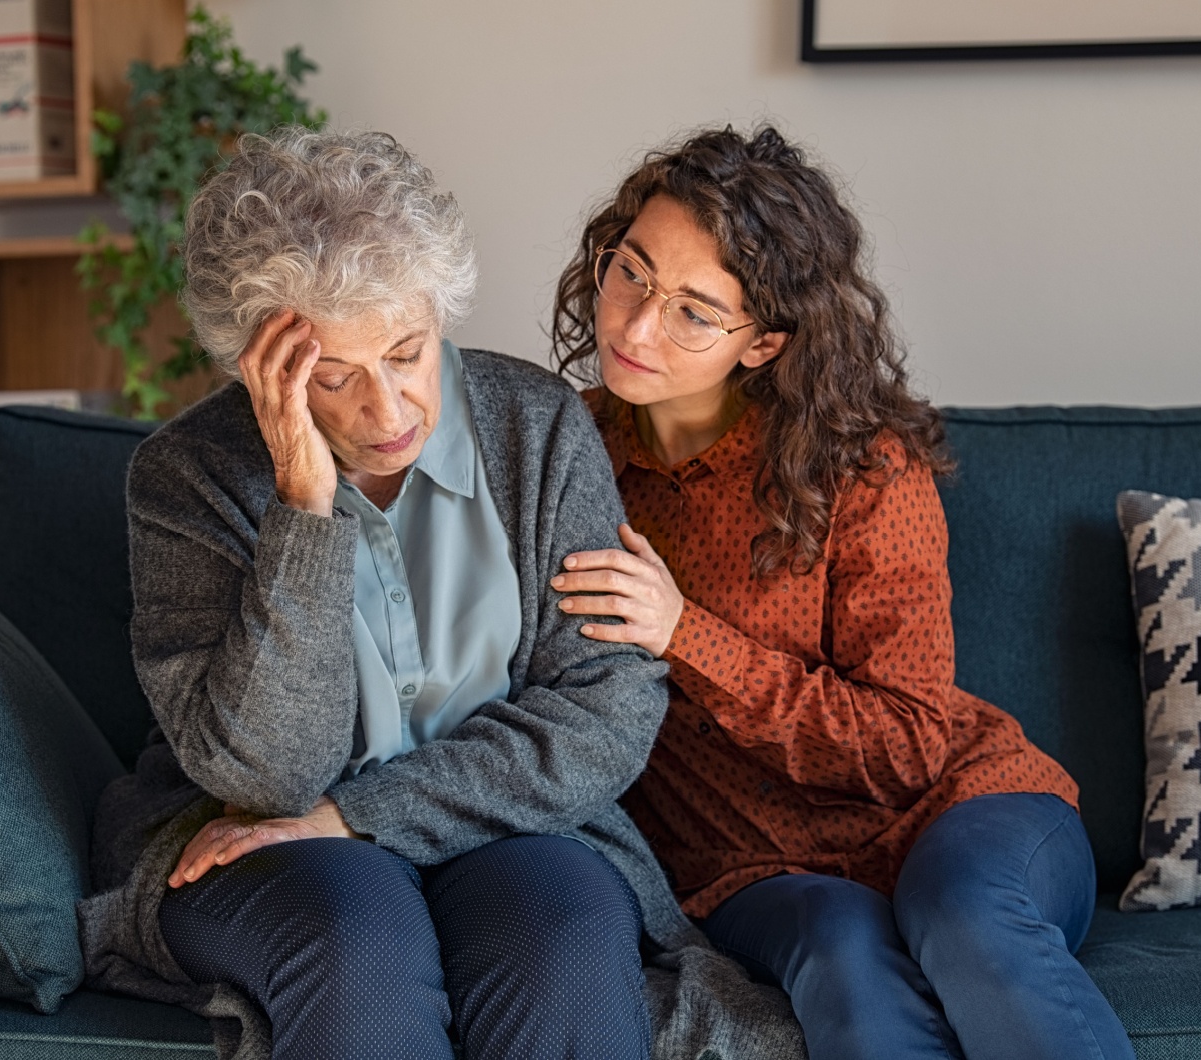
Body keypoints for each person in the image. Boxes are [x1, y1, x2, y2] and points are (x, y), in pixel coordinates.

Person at [76, 126, 732, 1060]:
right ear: (256, 370)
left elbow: (603, 712)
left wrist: (361, 815)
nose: (386, 415)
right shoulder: (188, 478)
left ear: (439, 311)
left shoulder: (536, 430)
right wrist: (305, 508)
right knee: (357, 938)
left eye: (407, 352)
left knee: (562, 938)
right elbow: (268, 783)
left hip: (513, 823)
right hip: (252, 842)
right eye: (333, 380)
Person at [549, 125, 1137, 1060]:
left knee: (968, 924)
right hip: (749, 864)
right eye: (632, 272)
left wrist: (682, 633)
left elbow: (908, 745)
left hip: (965, 812)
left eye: (695, 311)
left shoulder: (862, 472)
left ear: (764, 342)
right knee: (847, 962)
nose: (633, 325)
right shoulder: (564, 455)